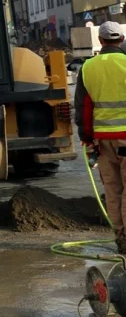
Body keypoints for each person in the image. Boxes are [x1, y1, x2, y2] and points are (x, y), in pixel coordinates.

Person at [75, 21, 126, 252]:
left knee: (113, 189)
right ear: (121, 40)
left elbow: (83, 108)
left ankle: (121, 238)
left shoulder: (87, 68)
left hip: (103, 140)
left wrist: (87, 139)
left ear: (101, 41)